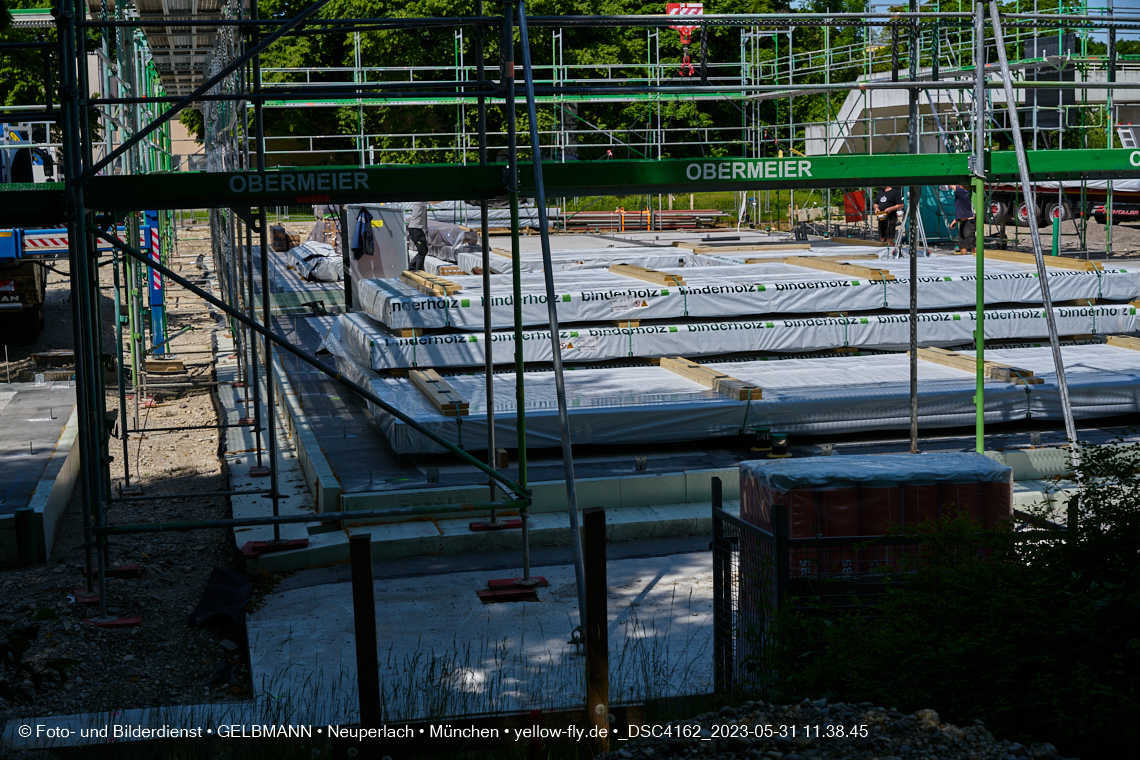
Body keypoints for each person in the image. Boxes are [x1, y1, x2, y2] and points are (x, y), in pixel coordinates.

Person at [407, 201, 439, 271]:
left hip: (415, 229)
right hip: (416, 230)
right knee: (422, 251)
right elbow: (433, 202)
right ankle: (418, 269)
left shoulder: (418, 201)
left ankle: (412, 266)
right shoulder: (420, 201)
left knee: (423, 250)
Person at [950, 184, 976, 255]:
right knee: (962, 244)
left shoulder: (962, 191)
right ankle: (964, 260)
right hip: (964, 222)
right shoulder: (961, 194)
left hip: (968, 222)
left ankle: (978, 258)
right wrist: (956, 220)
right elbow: (962, 209)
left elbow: (951, 185)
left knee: (971, 243)